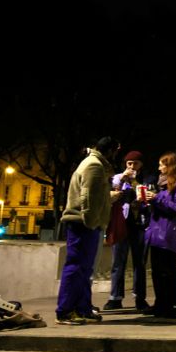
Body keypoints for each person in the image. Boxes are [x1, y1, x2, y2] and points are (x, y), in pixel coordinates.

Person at [56, 137, 120, 325]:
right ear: (110, 150)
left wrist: (109, 198)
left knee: (84, 269)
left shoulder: (94, 163)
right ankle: (65, 311)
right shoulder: (94, 165)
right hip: (83, 224)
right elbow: (88, 198)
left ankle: (82, 308)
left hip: (85, 223)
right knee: (76, 267)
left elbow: (94, 195)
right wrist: (92, 223)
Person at [143, 152, 176, 319]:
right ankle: (161, 303)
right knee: (158, 271)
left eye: (162, 164)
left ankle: (168, 305)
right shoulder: (163, 185)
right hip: (157, 233)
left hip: (167, 233)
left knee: (166, 271)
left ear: (171, 166)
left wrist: (156, 199)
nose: (159, 168)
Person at [104, 150, 150, 312]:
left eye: (135, 163)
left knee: (139, 263)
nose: (131, 166)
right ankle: (115, 297)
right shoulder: (119, 177)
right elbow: (112, 192)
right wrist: (123, 179)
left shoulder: (146, 179)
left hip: (139, 225)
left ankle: (140, 297)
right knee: (118, 261)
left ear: (141, 165)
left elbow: (149, 197)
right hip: (121, 223)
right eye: (129, 163)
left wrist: (141, 198)